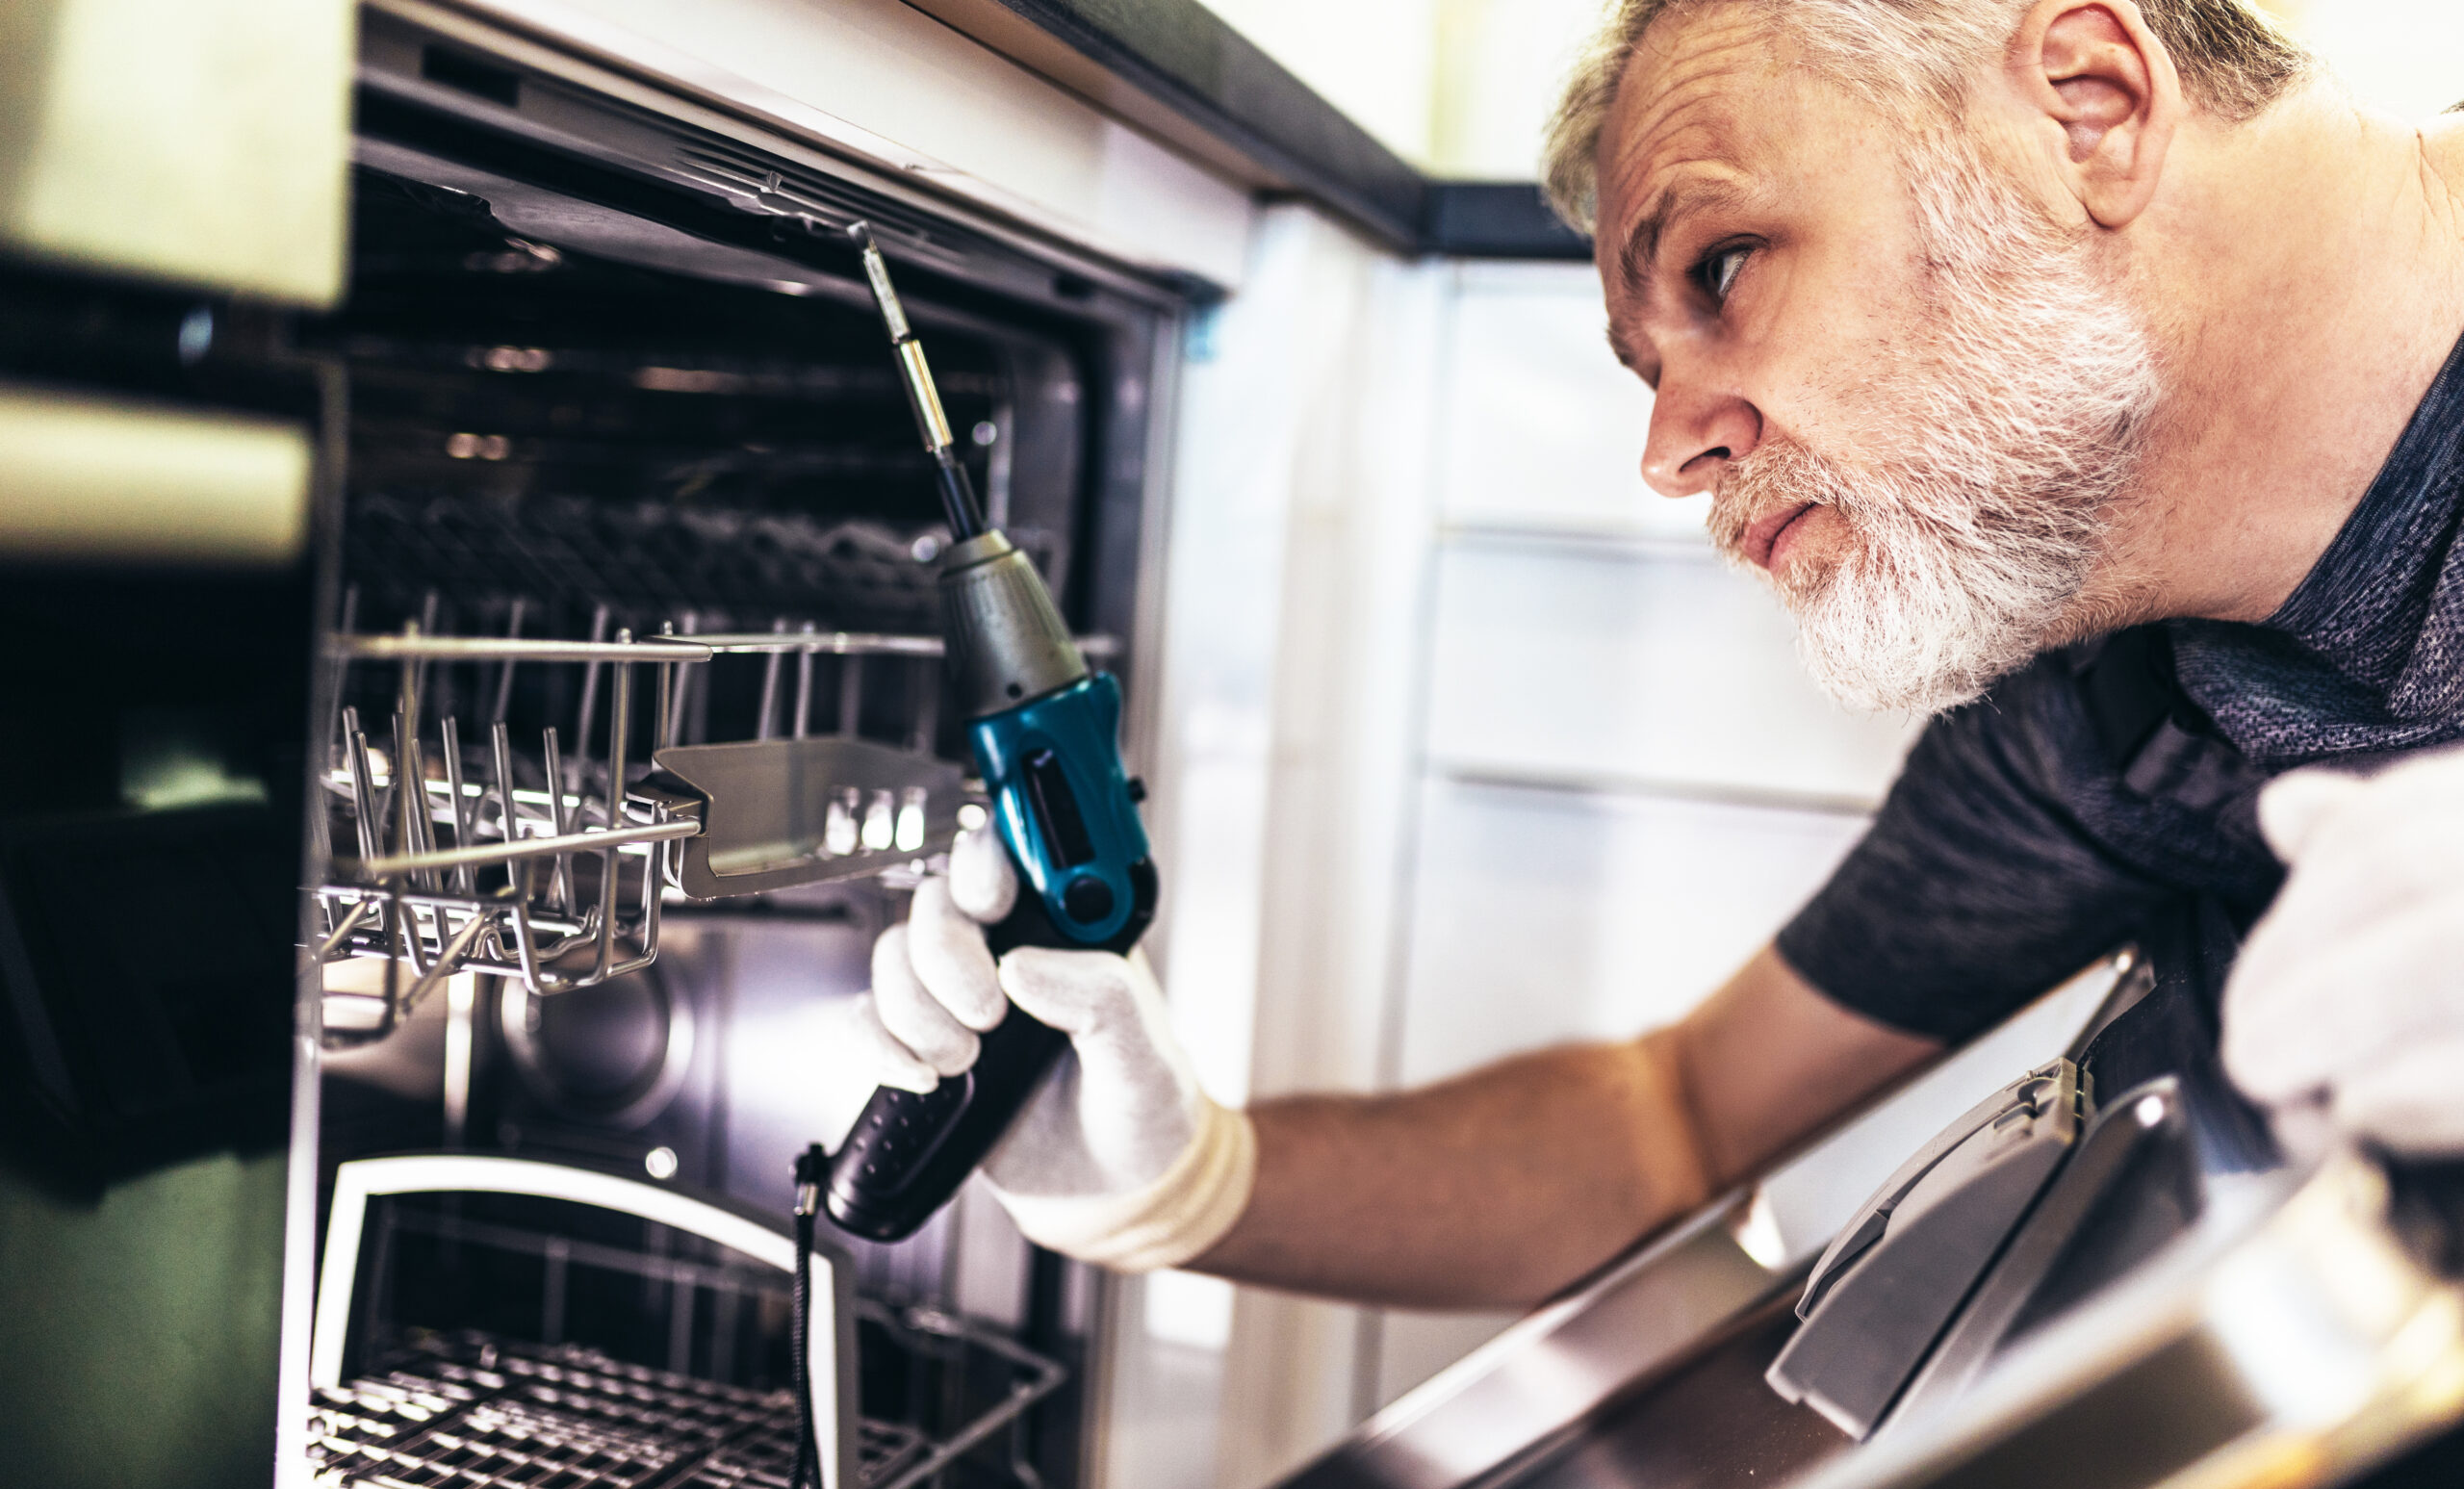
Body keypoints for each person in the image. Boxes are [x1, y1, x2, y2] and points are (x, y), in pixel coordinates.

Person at [824, 0, 2464, 1309]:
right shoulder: (2121, 705)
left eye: (1723, 265)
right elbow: (1671, 1119)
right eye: (1638, 365)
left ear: (2090, 102)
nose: (1669, 451)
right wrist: (1187, 1182)